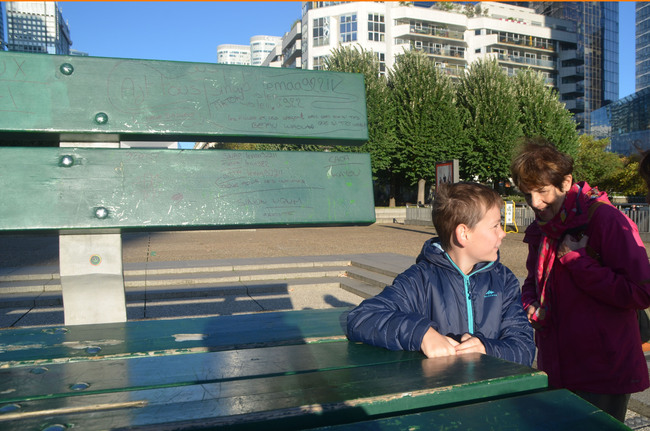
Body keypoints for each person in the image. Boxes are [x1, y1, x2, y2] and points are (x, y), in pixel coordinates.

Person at [511, 138, 650, 422]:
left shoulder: (606, 220)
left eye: (541, 191)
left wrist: (578, 263)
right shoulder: (542, 226)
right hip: (556, 365)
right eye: (527, 194)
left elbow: (640, 292)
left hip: (602, 373)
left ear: (565, 182)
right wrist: (530, 305)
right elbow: (532, 282)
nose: (534, 203)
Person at [346, 182, 535, 367]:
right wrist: (421, 334)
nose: (503, 233)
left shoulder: (503, 280)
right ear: (464, 234)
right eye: (495, 226)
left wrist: (487, 349)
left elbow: (524, 348)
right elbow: (363, 317)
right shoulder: (420, 280)